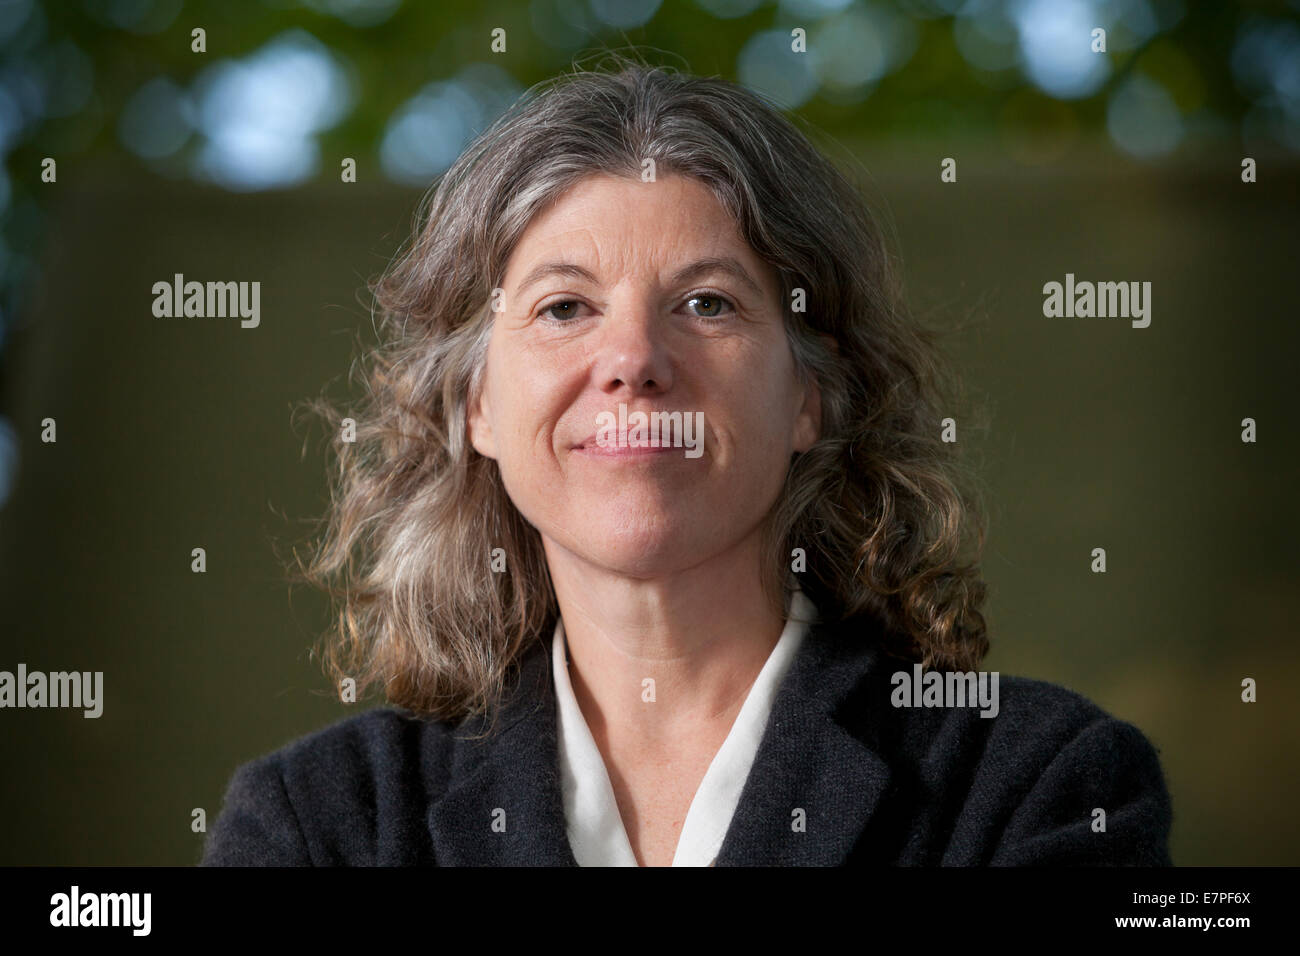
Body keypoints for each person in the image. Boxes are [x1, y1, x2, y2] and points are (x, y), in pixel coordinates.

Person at [201, 55, 1172, 867]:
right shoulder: (318, 824)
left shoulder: (1037, 786)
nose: (631, 362)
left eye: (707, 302)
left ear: (808, 396)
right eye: (563, 307)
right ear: (479, 404)